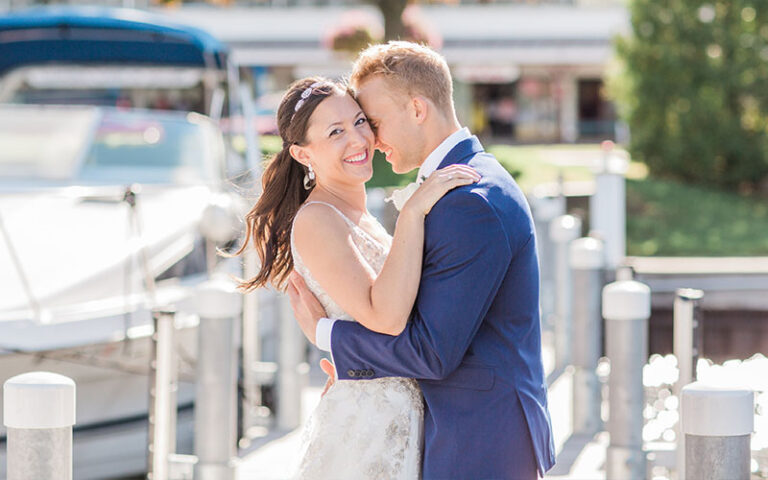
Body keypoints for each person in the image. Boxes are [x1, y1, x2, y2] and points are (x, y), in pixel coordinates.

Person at [287, 41, 556, 479]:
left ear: (416, 109)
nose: (368, 139)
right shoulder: (460, 184)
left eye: (369, 122)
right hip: (455, 430)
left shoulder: (471, 200)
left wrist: (327, 334)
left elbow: (432, 352)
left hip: (479, 438)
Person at [234, 76, 480, 478]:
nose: (357, 139)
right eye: (335, 132)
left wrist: (335, 344)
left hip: (405, 414)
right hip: (371, 427)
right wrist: (413, 214)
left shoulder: (360, 217)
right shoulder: (317, 219)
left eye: (360, 122)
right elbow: (386, 317)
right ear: (302, 153)